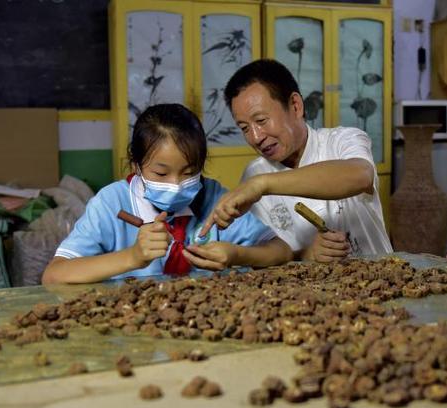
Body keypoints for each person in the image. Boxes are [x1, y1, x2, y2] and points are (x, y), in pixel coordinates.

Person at [42, 104, 292, 284]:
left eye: (189, 172)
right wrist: (133, 257)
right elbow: (55, 275)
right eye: (161, 174)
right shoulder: (111, 203)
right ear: (136, 166)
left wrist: (237, 254)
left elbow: (281, 250)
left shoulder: (214, 198)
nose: (176, 185)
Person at [198, 59, 392, 262]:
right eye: (245, 128)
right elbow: (273, 257)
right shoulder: (254, 173)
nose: (256, 137)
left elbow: (361, 176)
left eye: (261, 121)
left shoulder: (342, 141)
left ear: (296, 106)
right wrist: (307, 254)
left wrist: (262, 185)